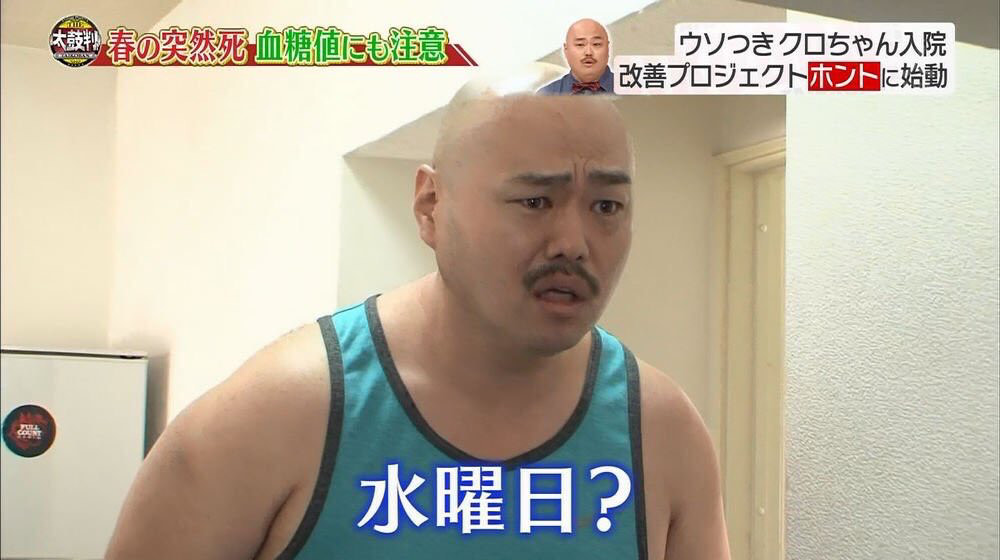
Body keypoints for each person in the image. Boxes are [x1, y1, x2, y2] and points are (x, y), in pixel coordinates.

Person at [104, 73, 730, 560]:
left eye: (607, 206)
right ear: (431, 205)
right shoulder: (271, 417)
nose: (574, 242)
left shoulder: (662, 433)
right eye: (535, 200)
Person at [537, 18, 615, 95]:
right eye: (580, 44)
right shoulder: (546, 95)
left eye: (596, 44)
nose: (588, 52)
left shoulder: (622, 90)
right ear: (566, 50)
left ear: (608, 48)